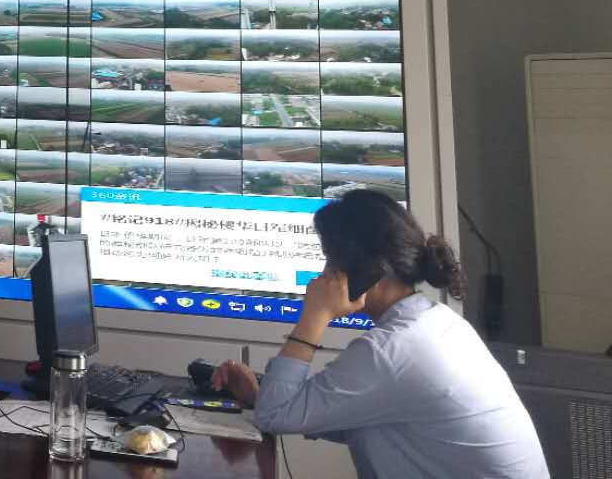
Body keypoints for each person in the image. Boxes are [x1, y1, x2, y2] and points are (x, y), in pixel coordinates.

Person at [211, 190, 548, 479]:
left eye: (330, 262)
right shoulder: (438, 323)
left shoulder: (391, 350)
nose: (323, 275)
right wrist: (262, 397)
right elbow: (365, 418)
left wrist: (314, 316)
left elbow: (274, 416)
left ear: (368, 271)